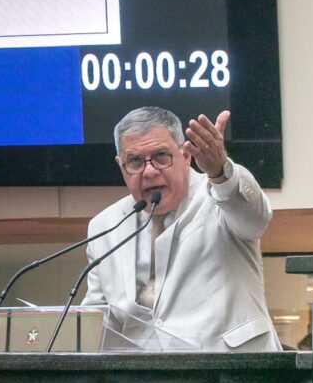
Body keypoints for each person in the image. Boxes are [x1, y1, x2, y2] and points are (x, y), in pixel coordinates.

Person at [81, 106, 281, 352]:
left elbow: (255, 219)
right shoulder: (105, 225)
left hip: (230, 368)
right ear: (120, 166)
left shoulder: (221, 195)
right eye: (134, 161)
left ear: (186, 156)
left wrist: (221, 172)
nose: (149, 171)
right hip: (146, 373)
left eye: (161, 156)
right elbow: (97, 319)